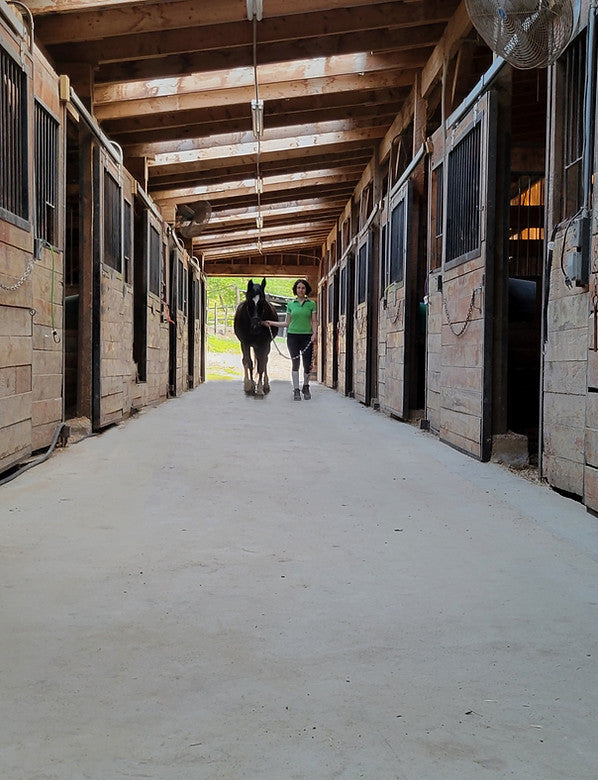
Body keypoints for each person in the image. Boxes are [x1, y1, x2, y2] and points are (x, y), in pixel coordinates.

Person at [262, 279, 317, 400]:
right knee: (295, 363)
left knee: (307, 364)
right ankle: (296, 389)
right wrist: (271, 323)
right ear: (295, 290)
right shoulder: (291, 305)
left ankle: (306, 386)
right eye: (298, 288)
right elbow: (286, 323)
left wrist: (315, 333)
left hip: (307, 336)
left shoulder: (311, 304)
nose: (300, 290)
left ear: (306, 289)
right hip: (293, 336)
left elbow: (314, 321)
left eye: (303, 288)